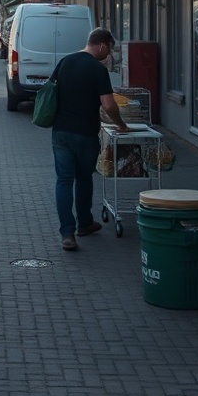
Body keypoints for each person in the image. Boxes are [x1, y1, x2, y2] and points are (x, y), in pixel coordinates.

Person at [51, 27, 128, 251]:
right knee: (84, 178)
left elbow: (52, 92)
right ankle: (84, 223)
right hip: (85, 133)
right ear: (102, 45)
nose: (109, 56)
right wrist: (121, 124)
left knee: (63, 181)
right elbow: (108, 104)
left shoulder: (65, 62)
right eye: (110, 50)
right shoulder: (97, 69)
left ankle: (67, 234)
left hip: (61, 132)